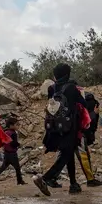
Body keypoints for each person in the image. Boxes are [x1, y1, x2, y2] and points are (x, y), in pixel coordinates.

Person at [33, 63, 87, 196]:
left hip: (54, 127)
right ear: (67, 74)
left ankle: (73, 184)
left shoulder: (52, 88)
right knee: (67, 154)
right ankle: (46, 178)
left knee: (68, 153)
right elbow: (83, 103)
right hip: (70, 127)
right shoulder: (71, 88)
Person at [0, 117, 26, 186]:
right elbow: (13, 143)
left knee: (3, 167)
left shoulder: (6, 132)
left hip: (6, 153)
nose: (18, 126)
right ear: (11, 125)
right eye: (17, 124)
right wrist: (19, 145)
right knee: (17, 168)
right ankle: (20, 181)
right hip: (12, 154)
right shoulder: (13, 133)